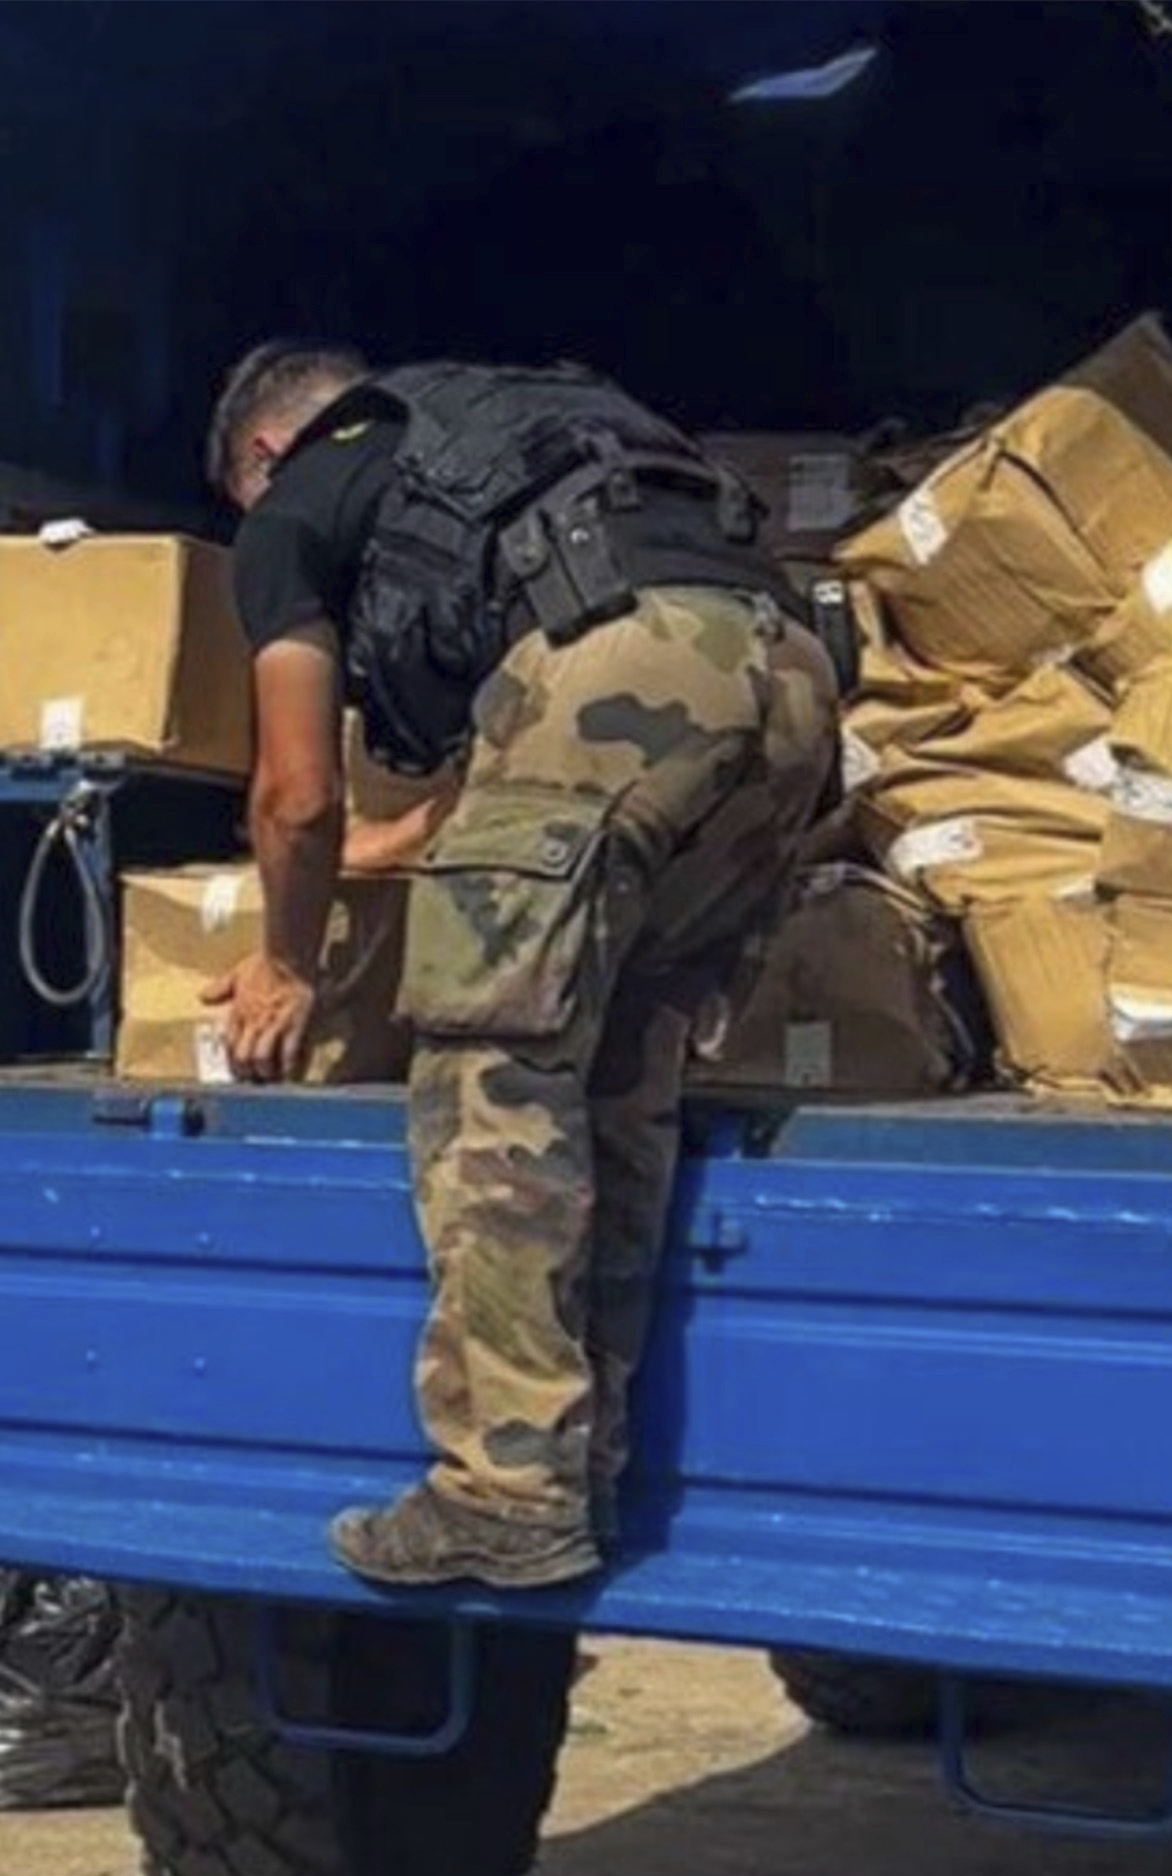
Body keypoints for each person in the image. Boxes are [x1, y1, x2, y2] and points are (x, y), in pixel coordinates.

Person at [204, 341, 839, 1591]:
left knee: (491, 1075)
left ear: (264, 456)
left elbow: (294, 794)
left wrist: (288, 962)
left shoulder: (292, 507)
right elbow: (509, 788)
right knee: (618, 1074)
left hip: (619, 681)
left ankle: (504, 1489)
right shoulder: (503, 442)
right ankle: (583, 1461)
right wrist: (398, 848)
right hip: (792, 679)